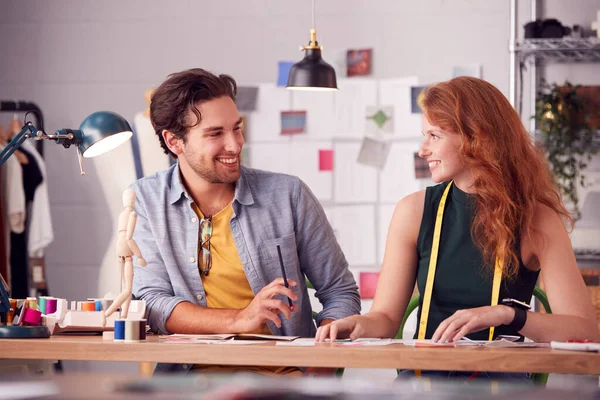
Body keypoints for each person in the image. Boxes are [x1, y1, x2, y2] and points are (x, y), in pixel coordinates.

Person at [316, 76, 599, 379]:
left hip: (504, 383)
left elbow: (585, 331)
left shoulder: (537, 220)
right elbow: (385, 318)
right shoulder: (413, 211)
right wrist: (358, 324)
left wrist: (508, 315)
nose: (423, 151)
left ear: (476, 137)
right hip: (425, 382)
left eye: (434, 136)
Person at [131, 68, 360, 375]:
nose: (235, 144)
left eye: (236, 128)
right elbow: (152, 302)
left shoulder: (287, 194)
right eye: (215, 134)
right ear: (174, 142)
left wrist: (320, 370)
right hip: (186, 382)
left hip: (284, 382)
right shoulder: (145, 200)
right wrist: (241, 318)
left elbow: (340, 291)